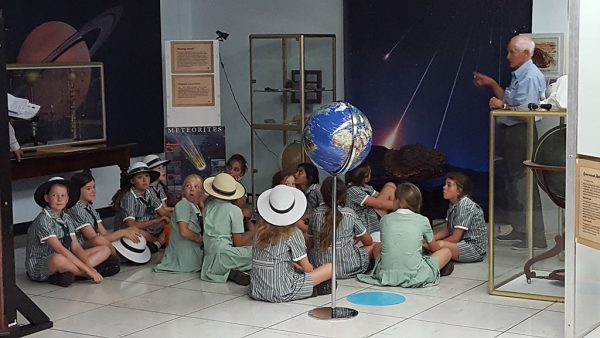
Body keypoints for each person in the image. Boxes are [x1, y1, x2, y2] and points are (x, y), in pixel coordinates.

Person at [473, 34, 547, 250]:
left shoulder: (531, 77)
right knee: (514, 183)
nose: (508, 56)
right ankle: (521, 229)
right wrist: (492, 84)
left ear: (526, 53)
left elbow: (525, 113)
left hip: (521, 132)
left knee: (523, 183)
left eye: (512, 52)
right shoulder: (520, 74)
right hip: (511, 133)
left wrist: (501, 107)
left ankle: (535, 235)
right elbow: (508, 100)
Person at [26, 177, 117, 287]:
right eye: (55, 195)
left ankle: (69, 274)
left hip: (67, 258)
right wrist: (88, 271)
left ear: (68, 198)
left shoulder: (66, 217)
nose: (59, 199)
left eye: (63, 195)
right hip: (42, 263)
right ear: (47, 197)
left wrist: (89, 266)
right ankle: (83, 274)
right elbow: (59, 249)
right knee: (58, 259)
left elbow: (76, 246)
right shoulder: (43, 219)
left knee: (104, 249)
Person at [357, 183, 453, 288]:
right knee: (446, 252)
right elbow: (435, 249)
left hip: (387, 274)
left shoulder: (385, 220)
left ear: (397, 201)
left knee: (377, 246)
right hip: (414, 275)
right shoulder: (423, 220)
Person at [249, 185, 333, 302]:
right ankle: (311, 288)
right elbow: (307, 269)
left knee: (294, 269)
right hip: (282, 291)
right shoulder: (293, 233)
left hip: (257, 290)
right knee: (330, 268)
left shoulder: (258, 231)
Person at [309, 177, 376, 279]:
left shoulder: (316, 214)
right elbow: (368, 241)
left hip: (321, 268)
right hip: (348, 267)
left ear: (322, 194)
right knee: (375, 246)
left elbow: (311, 243)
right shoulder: (349, 213)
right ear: (343, 195)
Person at [68, 170, 143, 256]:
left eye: (94, 187)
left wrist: (125, 232)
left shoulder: (89, 206)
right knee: (99, 240)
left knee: (133, 229)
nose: (93, 191)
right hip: (81, 246)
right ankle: (116, 257)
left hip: (98, 241)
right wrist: (122, 233)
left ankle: (127, 252)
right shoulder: (76, 209)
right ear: (77, 191)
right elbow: (93, 238)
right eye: (88, 188)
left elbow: (104, 233)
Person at [201, 173, 254, 285]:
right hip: (224, 254)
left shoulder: (207, 207)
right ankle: (229, 269)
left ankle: (227, 271)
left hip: (208, 255)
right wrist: (253, 232)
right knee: (256, 253)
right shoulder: (234, 210)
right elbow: (238, 243)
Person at [111, 162, 171, 254]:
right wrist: (156, 221)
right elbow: (131, 224)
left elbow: (163, 212)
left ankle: (156, 244)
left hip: (148, 227)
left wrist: (178, 216)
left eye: (147, 176)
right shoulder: (129, 197)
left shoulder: (150, 191)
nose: (144, 180)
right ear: (132, 181)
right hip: (129, 230)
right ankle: (158, 242)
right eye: (140, 177)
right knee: (140, 233)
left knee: (171, 223)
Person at [155, 175, 205, 273]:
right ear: (182, 191)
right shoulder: (183, 204)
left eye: (196, 187)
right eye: (188, 186)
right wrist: (201, 239)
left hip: (191, 250)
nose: (192, 189)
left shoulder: (194, 206)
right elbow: (184, 232)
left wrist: (201, 206)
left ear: (201, 193)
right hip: (185, 256)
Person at [434, 172, 488, 263]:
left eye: (449, 185)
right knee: (436, 244)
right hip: (462, 244)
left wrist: (432, 244)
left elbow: (455, 237)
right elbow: (448, 230)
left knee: (440, 245)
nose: (444, 187)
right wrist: (430, 239)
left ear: (459, 190)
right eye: (445, 184)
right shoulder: (453, 204)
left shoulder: (464, 205)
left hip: (473, 249)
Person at [345, 162, 396, 234]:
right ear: (365, 177)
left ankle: (401, 215)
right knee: (389, 188)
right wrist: (402, 205)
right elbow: (379, 204)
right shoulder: (352, 190)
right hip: (365, 222)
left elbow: (380, 195)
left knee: (390, 186)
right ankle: (403, 214)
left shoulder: (364, 186)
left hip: (370, 214)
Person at [226, 154, 253, 220]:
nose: (231, 171)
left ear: (241, 174)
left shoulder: (241, 188)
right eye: (229, 168)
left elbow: (241, 207)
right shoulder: (219, 181)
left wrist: (237, 185)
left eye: (236, 170)